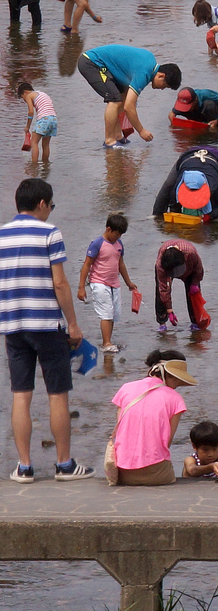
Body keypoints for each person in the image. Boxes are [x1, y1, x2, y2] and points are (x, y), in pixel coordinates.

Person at [2, 179, 91, 483]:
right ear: (41, 203)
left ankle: (24, 466)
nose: (51, 210)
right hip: (47, 325)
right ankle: (64, 464)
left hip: (13, 326)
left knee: (21, 395)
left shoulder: (2, 235)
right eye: (51, 205)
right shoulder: (49, 233)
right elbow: (60, 283)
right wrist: (73, 324)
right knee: (57, 395)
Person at [109, 350, 196, 486]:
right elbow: (167, 442)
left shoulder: (126, 388)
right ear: (170, 375)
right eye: (178, 381)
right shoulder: (175, 399)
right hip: (157, 474)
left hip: (122, 473)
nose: (177, 386)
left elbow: (121, 431)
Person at [79, 43, 181, 147]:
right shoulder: (144, 73)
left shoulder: (150, 62)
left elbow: (127, 97)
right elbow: (129, 106)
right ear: (161, 76)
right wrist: (141, 130)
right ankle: (109, 140)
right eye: (165, 85)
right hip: (92, 63)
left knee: (122, 97)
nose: (162, 88)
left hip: (107, 67)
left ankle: (117, 135)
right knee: (114, 100)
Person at [76, 213, 135, 355]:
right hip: (99, 282)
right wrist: (81, 287)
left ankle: (108, 340)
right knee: (106, 313)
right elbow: (86, 265)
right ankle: (106, 343)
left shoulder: (119, 244)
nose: (118, 237)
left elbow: (121, 264)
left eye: (120, 235)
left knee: (113, 313)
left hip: (114, 283)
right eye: (117, 234)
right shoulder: (97, 244)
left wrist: (129, 283)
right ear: (108, 229)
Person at [153, 239, 209, 333]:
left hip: (189, 269)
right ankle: (162, 323)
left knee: (193, 295)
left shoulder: (191, 253)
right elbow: (163, 289)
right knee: (160, 293)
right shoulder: (160, 266)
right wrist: (169, 310)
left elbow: (199, 269)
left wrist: (195, 283)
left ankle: (195, 322)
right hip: (168, 268)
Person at [16, 84, 53, 165]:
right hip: (53, 119)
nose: (24, 100)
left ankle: (34, 165)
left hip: (44, 119)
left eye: (22, 97)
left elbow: (31, 112)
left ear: (25, 92)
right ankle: (45, 164)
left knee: (34, 142)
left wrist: (27, 126)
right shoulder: (43, 94)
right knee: (46, 144)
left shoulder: (29, 96)